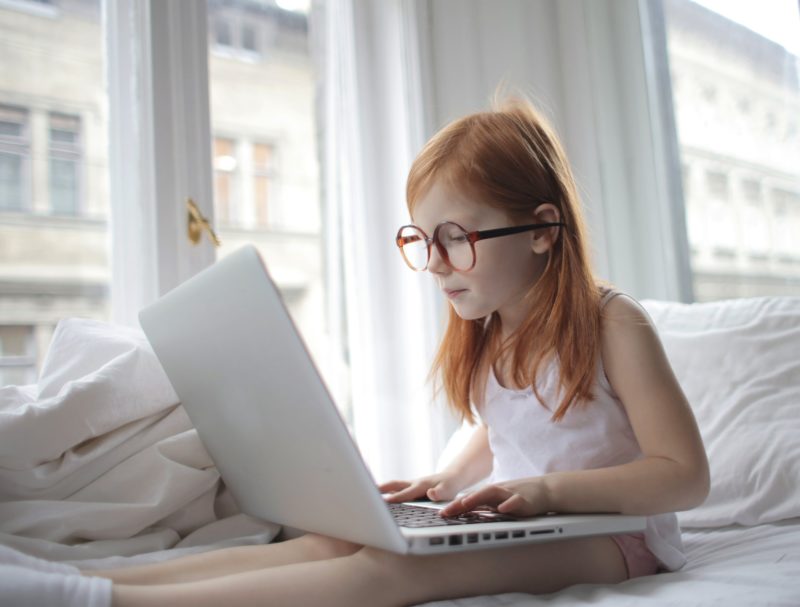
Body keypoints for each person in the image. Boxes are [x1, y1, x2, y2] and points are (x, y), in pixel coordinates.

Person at [90, 95, 709, 606]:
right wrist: (447, 479)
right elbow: (509, 427)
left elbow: (684, 476)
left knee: (392, 574)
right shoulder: (496, 328)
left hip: (619, 535)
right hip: (537, 515)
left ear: (544, 230)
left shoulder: (613, 324)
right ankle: (88, 582)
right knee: (332, 543)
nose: (434, 264)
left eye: (455, 238)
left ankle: (106, 603)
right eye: (422, 239)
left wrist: (547, 492)